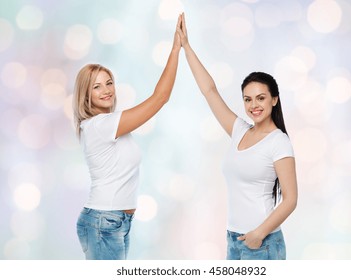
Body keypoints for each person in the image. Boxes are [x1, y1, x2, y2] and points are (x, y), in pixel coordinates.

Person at [177, 13, 297, 260]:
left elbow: (291, 199)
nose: (254, 105)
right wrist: (186, 47)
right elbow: (209, 91)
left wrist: (258, 234)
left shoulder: (279, 142)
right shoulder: (240, 130)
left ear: (274, 100)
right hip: (234, 239)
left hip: (262, 243)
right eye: (248, 99)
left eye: (261, 98)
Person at [72, 15, 182, 260]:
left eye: (109, 83)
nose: (106, 90)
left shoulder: (109, 125)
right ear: (85, 95)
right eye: (97, 86)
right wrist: (175, 49)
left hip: (115, 220)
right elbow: (160, 98)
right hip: (104, 222)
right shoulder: (101, 125)